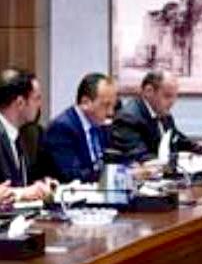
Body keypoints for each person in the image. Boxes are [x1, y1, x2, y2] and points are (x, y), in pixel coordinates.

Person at [111, 70, 201, 162]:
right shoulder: (128, 118)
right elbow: (141, 157)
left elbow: (179, 140)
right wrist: (176, 159)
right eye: (167, 96)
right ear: (148, 91)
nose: (172, 102)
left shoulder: (164, 115)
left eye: (175, 96)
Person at [43, 73, 117, 183]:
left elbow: (111, 161)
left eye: (113, 106)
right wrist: (115, 174)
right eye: (105, 105)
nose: (111, 112)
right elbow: (73, 175)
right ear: (85, 103)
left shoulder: (100, 125)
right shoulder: (62, 128)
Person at [0, 68, 57, 200]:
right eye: (36, 99)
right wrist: (22, 193)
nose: (40, 105)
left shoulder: (25, 134)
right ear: (20, 103)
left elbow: (22, 183)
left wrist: (40, 186)